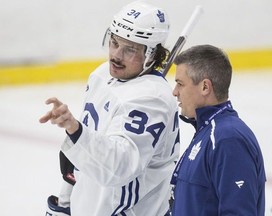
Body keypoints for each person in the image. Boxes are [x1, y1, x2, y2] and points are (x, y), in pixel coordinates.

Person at [39, 1, 180, 216]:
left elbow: (118, 167)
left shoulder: (152, 100)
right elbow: (85, 151)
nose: (116, 55)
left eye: (129, 49)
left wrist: (75, 130)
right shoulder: (103, 74)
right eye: (114, 42)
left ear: (152, 54)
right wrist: (65, 202)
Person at [170, 44, 266, 215]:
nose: (175, 92)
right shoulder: (208, 133)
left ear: (205, 87)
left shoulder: (228, 139)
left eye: (180, 84)